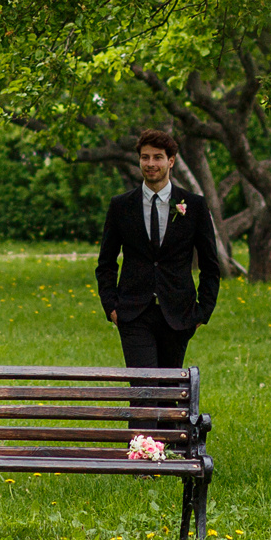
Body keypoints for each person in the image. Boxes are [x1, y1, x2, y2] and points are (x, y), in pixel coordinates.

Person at [96, 127, 224, 369]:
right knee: (144, 391)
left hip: (178, 314)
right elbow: (106, 263)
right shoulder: (121, 206)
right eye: (145, 157)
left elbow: (210, 264)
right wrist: (111, 305)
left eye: (157, 157)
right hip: (133, 313)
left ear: (171, 161)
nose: (150, 163)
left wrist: (202, 312)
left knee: (168, 393)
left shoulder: (194, 206)